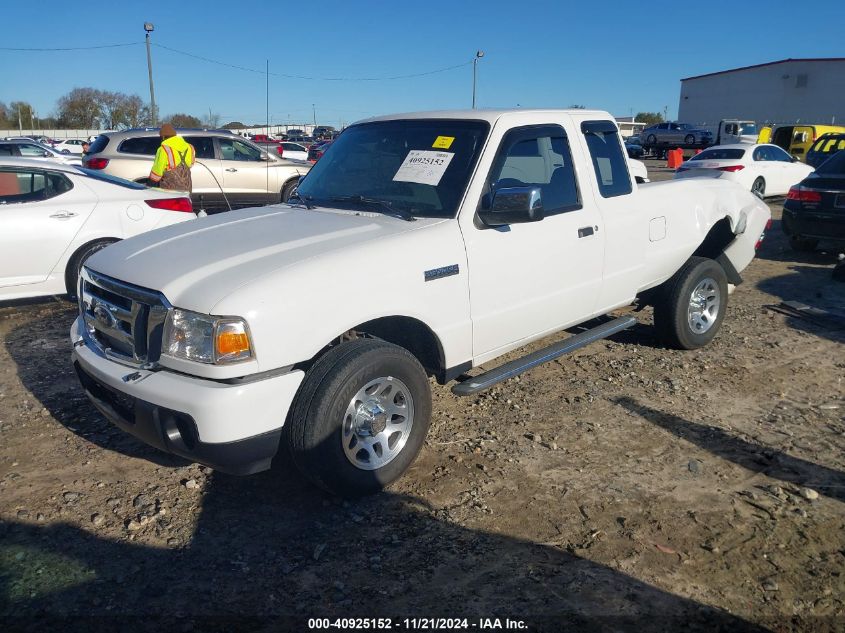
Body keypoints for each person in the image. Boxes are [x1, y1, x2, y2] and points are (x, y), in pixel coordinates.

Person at [148, 123, 195, 192]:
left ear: (163, 137)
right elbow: (191, 164)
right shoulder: (190, 147)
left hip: (169, 189)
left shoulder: (163, 149)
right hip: (187, 187)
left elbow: (157, 171)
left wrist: (150, 185)